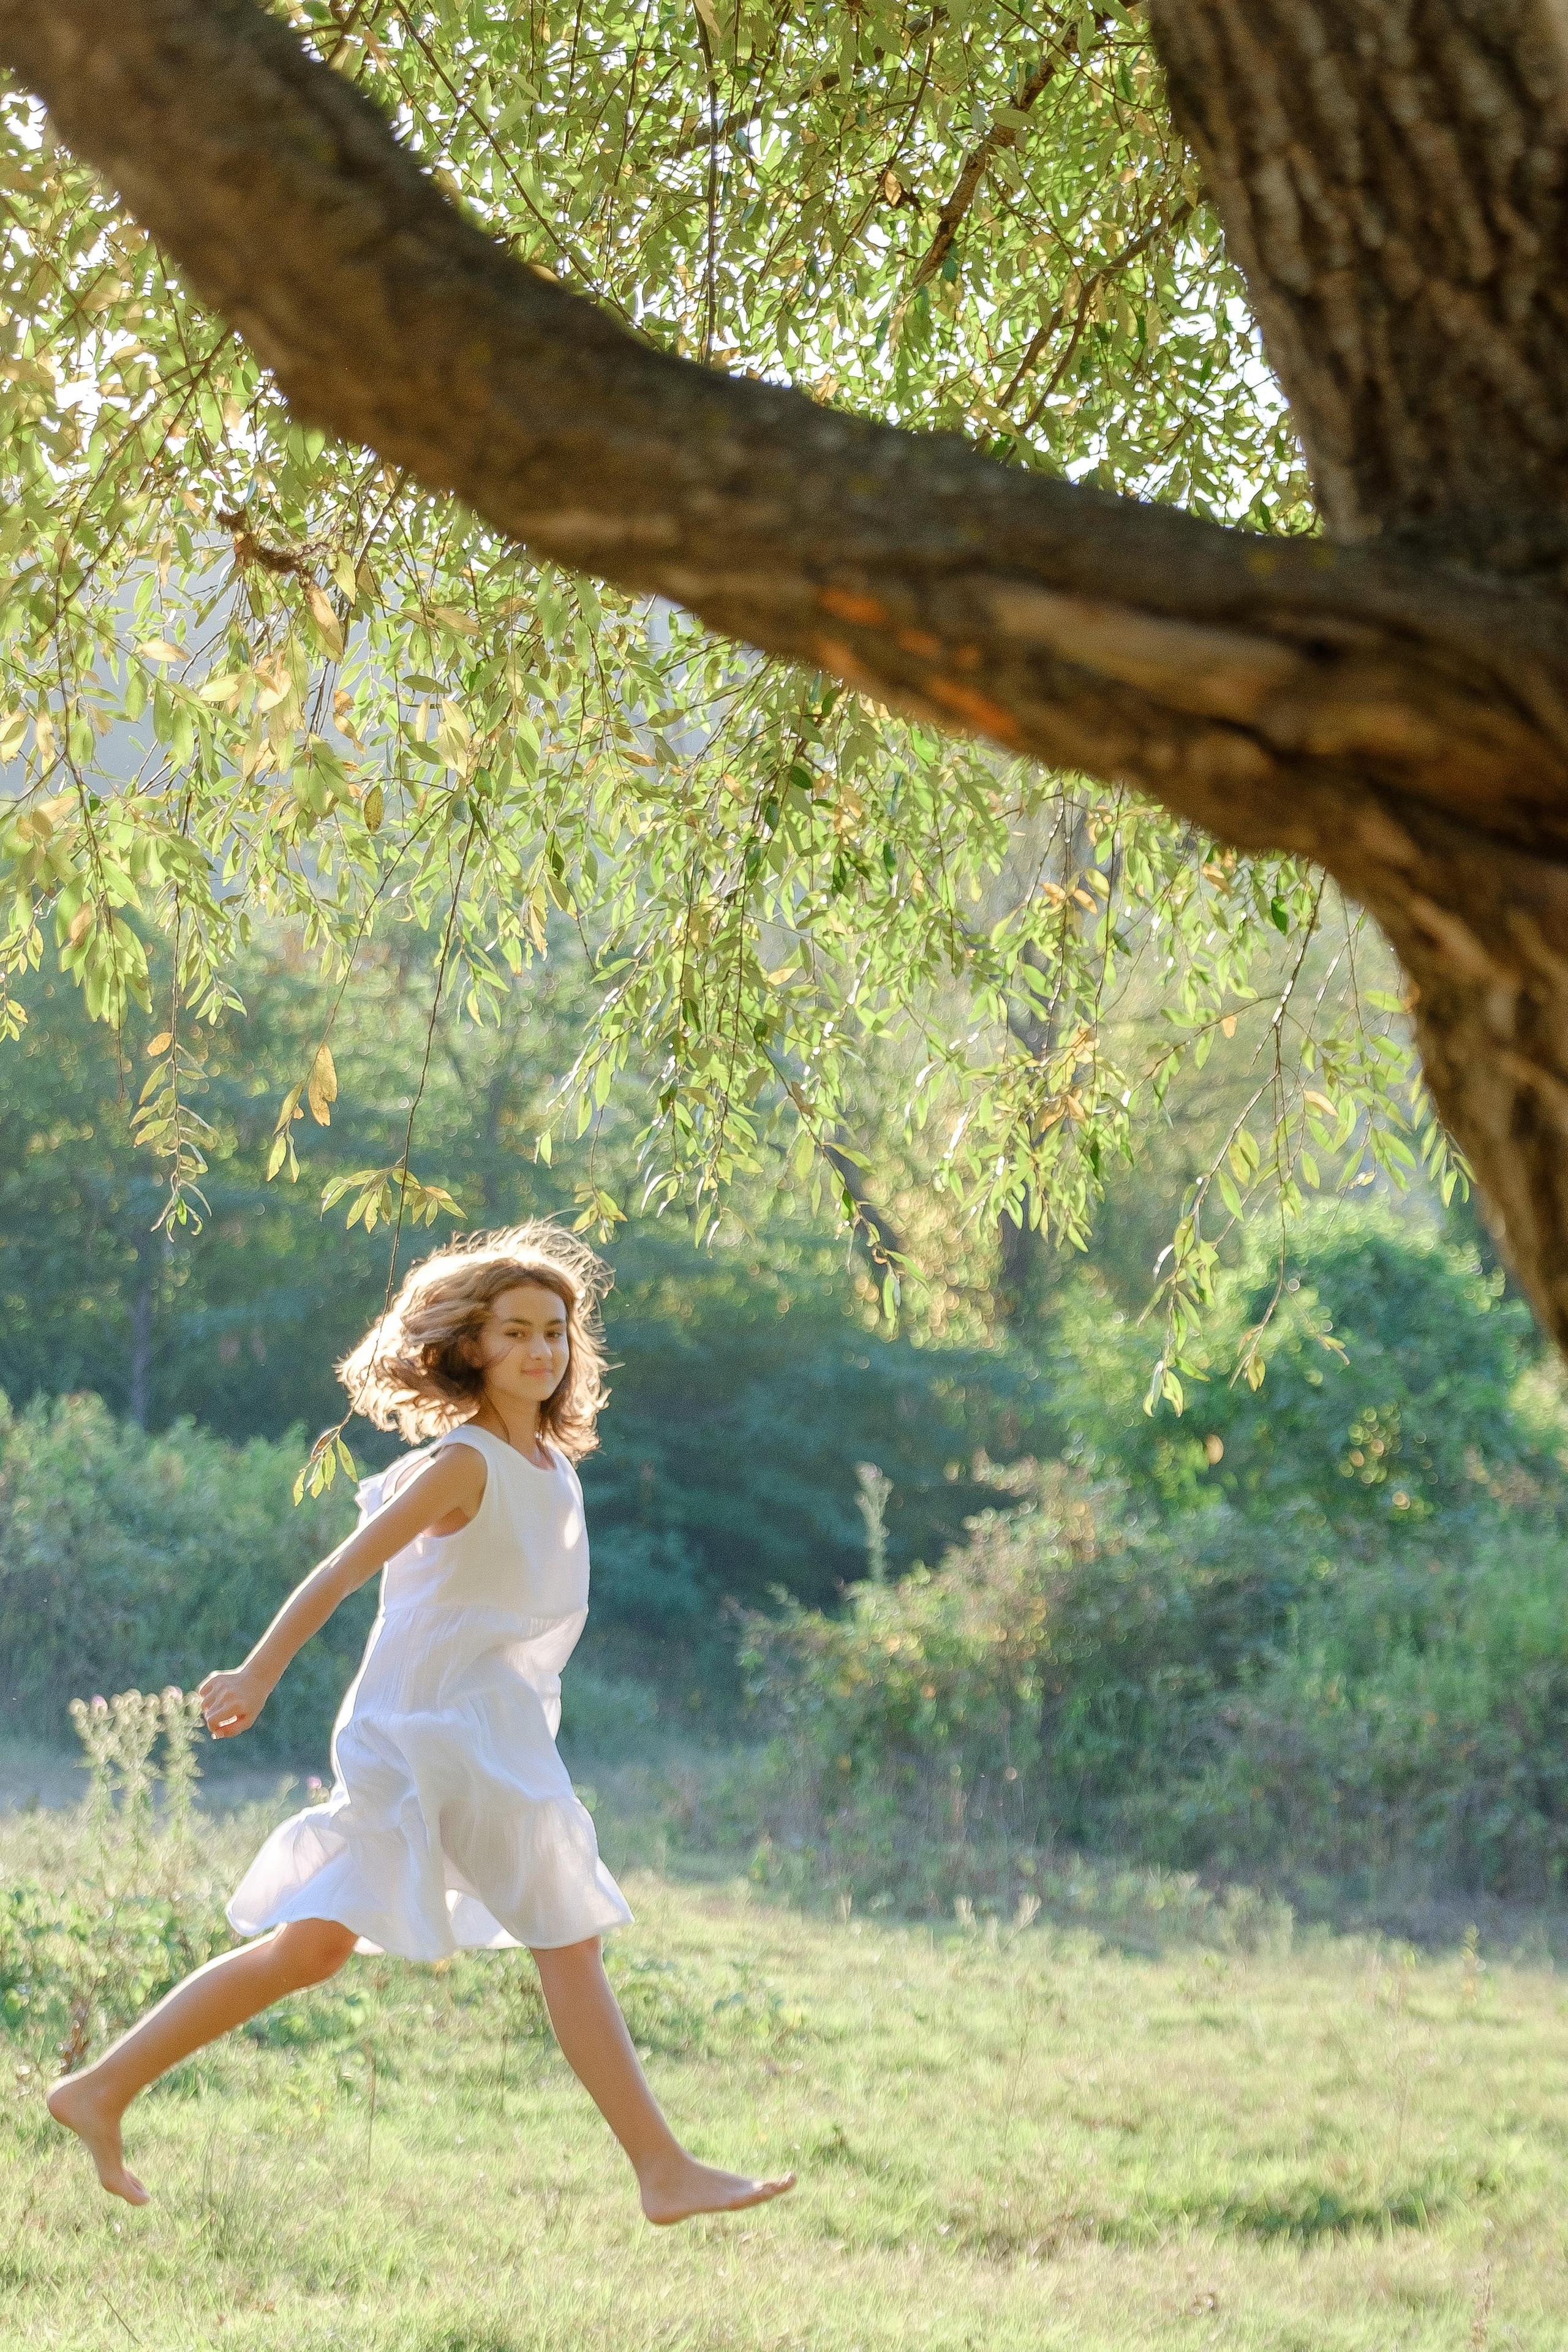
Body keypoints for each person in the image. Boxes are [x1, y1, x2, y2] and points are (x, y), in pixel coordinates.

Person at [48, 1222, 794, 2225]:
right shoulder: (463, 1464)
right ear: (470, 1347)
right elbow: (342, 1571)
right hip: (427, 1724)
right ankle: (661, 2168)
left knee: (312, 1949)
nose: (541, 1349)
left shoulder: (553, 1465)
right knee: (566, 1935)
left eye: (557, 1331)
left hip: (498, 1726)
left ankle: (97, 2088)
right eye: (516, 1330)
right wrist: (259, 1673)